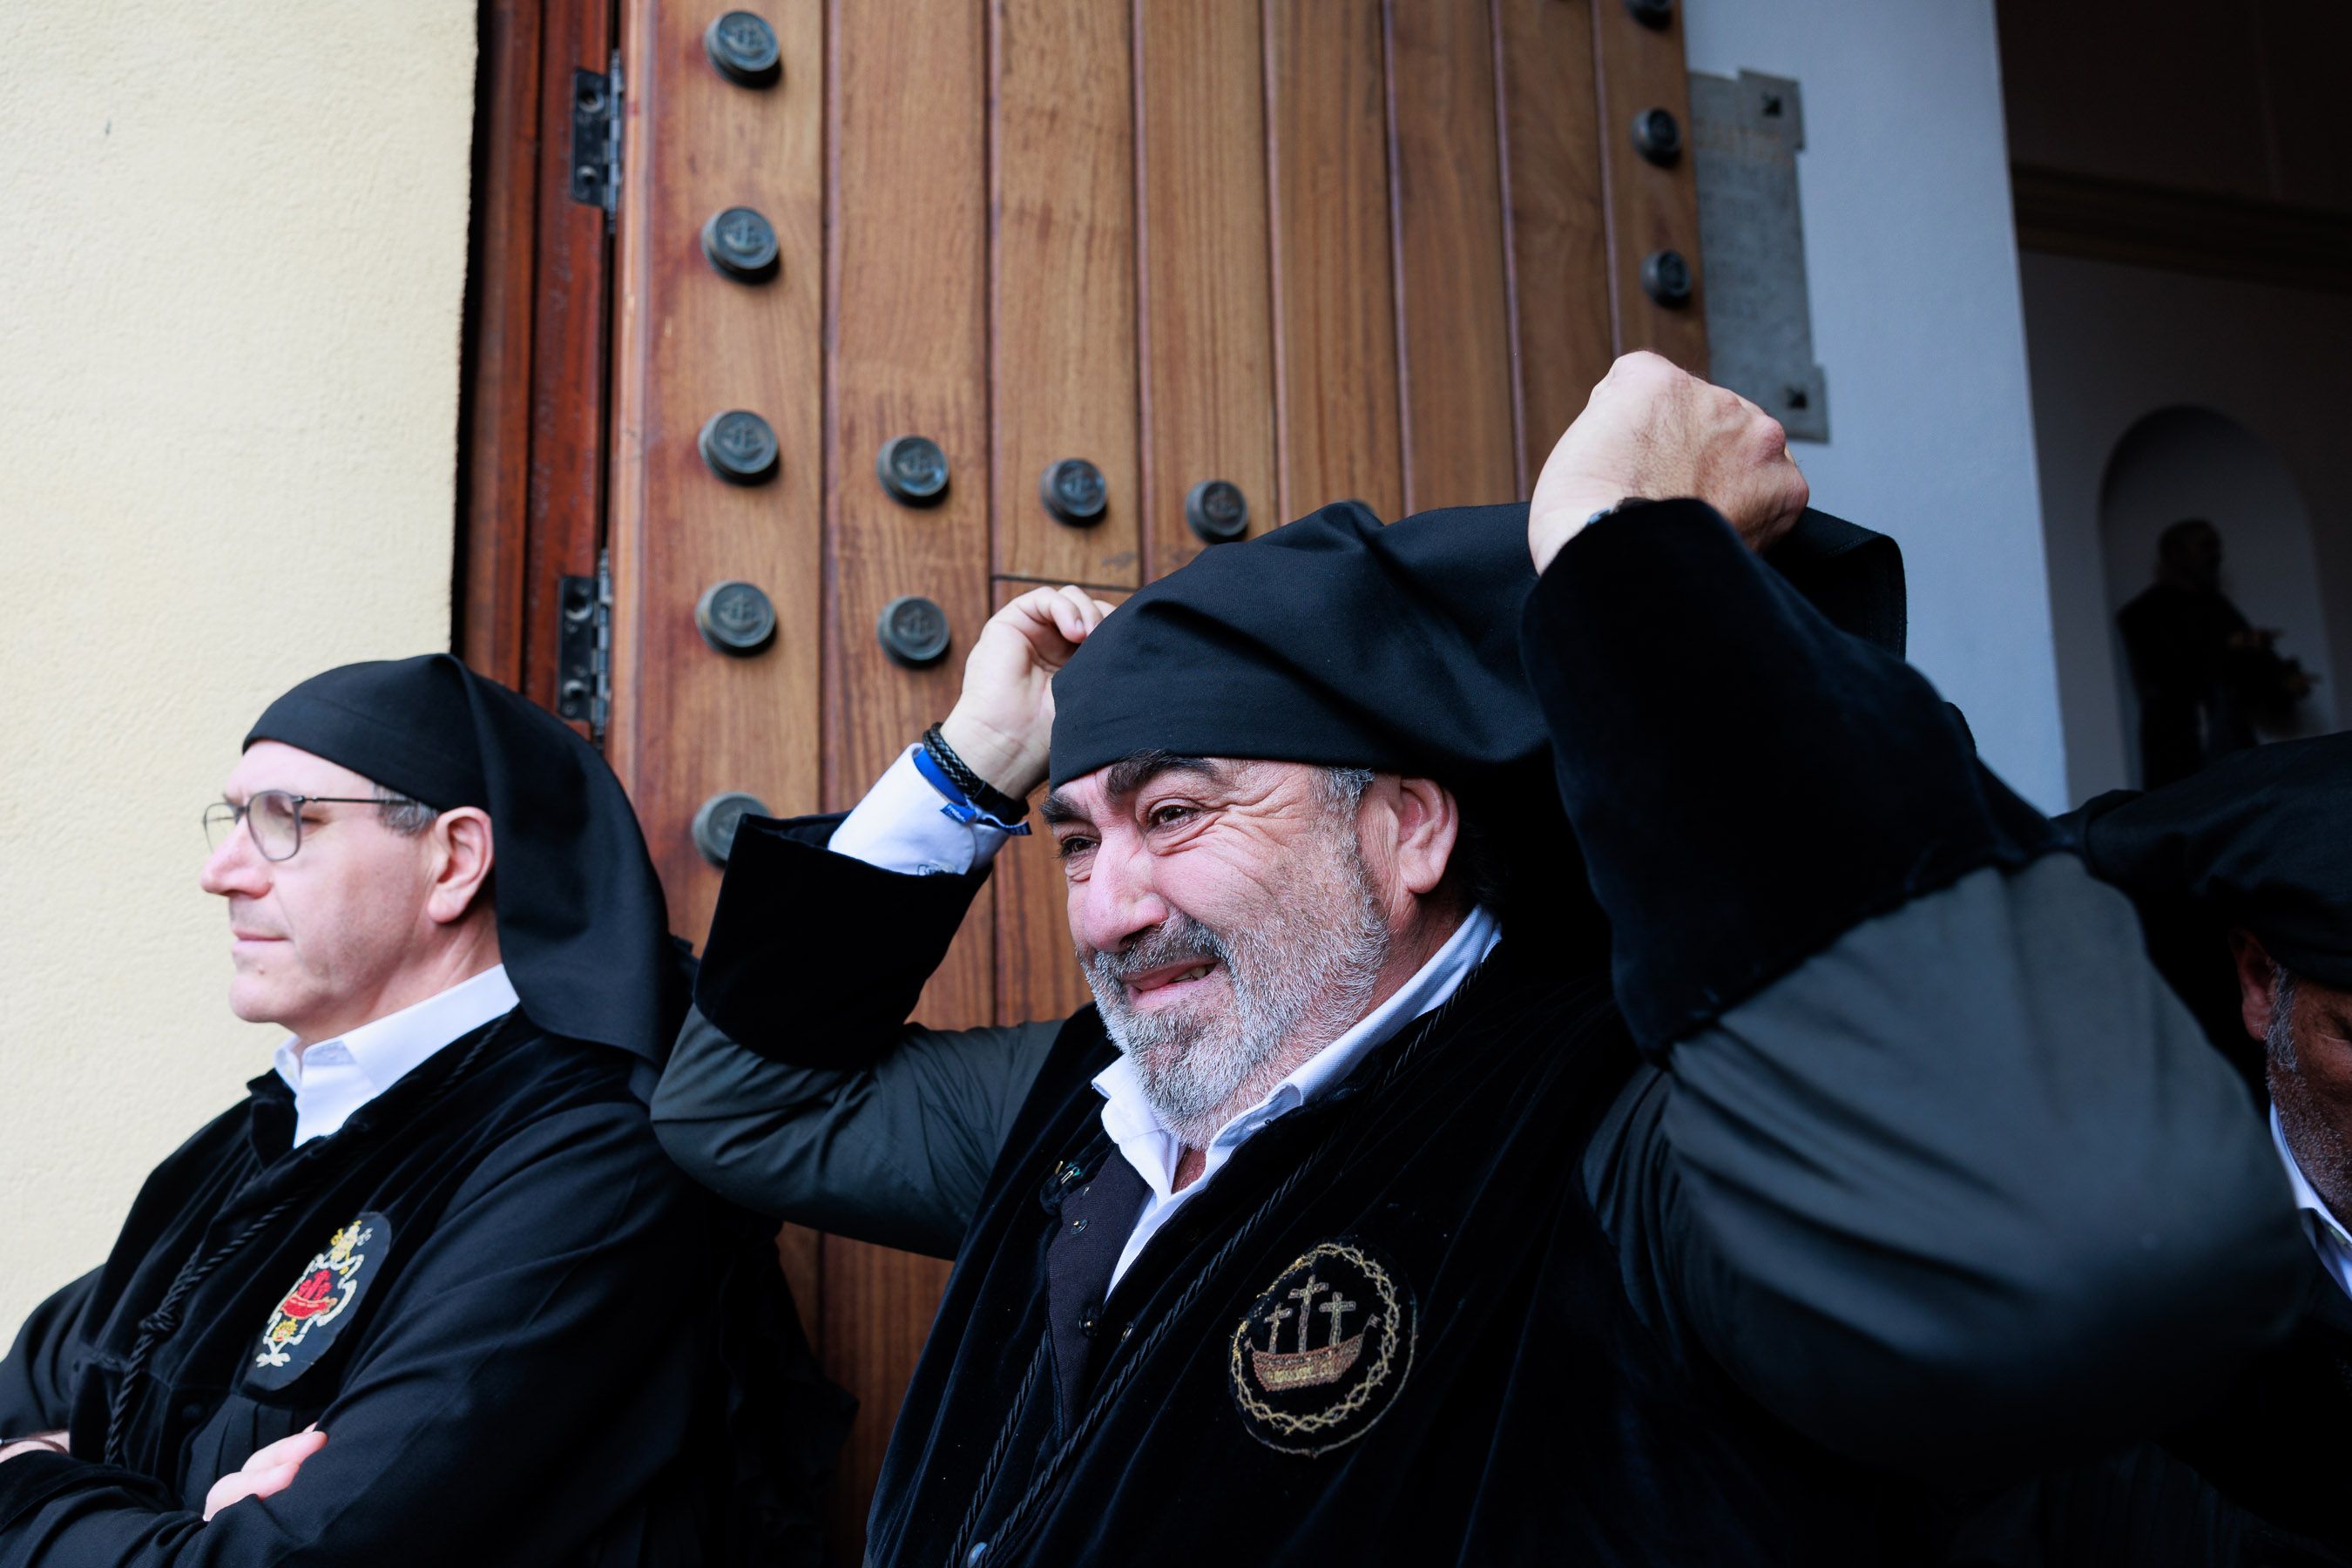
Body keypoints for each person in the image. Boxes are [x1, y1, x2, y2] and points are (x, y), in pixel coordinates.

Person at [654, 353, 2306, 1564]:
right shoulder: (1094, 1098)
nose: (1104, 906)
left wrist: (1625, 562)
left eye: (1180, 811)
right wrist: (964, 769)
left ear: (1412, 832)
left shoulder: (1616, 1141)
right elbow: (747, 1114)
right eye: (1077, 837)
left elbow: (2080, 1249)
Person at [0, 655, 845, 1565]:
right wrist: (164, 1511)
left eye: (289, 821)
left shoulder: (591, 1158)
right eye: (235, 818)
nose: (222, 871)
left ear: (455, 860)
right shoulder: (249, 1143)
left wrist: (39, 1479)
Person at [2115, 518, 2312, 788]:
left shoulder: (2219, 608)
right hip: (2179, 746)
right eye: (2206, 546)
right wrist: (2230, 647)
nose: (2216, 556)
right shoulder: (2144, 613)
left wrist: (2284, 683)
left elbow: (2251, 671)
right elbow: (2165, 675)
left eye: (2216, 547)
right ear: (2176, 553)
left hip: (2230, 742)